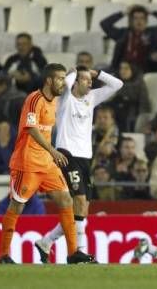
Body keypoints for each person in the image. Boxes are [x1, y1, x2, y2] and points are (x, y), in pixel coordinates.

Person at [0, 63, 95, 264]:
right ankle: (4, 254)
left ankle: (73, 253)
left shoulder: (55, 101)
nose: (63, 83)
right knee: (17, 206)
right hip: (27, 163)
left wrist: (75, 72)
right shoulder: (34, 99)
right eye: (59, 79)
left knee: (67, 200)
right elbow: (31, 128)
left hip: (47, 164)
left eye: (63, 78)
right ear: (49, 80)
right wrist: (52, 150)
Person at [34, 66, 123, 262]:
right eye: (85, 79)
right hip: (67, 154)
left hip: (85, 158)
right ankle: (80, 252)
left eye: (90, 80)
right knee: (80, 201)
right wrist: (74, 72)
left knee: (81, 209)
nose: (89, 82)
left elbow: (118, 84)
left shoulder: (91, 98)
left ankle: (46, 242)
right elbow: (66, 83)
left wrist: (96, 72)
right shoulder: (65, 99)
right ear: (75, 82)